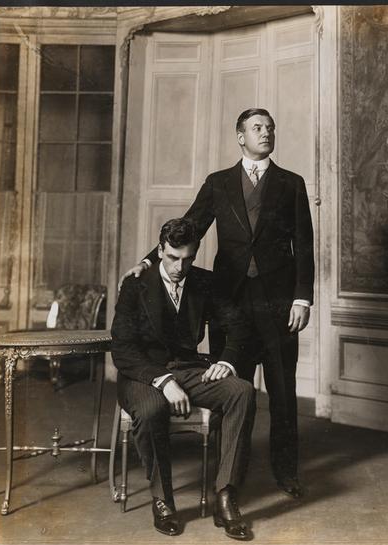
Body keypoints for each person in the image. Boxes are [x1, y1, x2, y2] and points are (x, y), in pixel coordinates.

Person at [120, 108, 315, 499]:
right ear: (240, 136)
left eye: (270, 128)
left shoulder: (291, 183)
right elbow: (186, 227)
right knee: (232, 389)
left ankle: (286, 472)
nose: (266, 133)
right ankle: (230, 479)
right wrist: (147, 261)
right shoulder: (219, 183)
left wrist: (302, 298)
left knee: (282, 390)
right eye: (257, 128)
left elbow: (305, 244)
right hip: (231, 303)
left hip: (278, 305)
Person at [111, 218, 255, 540]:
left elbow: (239, 326)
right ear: (160, 250)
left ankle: (226, 496)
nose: (180, 267)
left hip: (189, 369)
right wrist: (163, 381)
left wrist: (227, 361)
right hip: (142, 373)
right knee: (151, 410)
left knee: (242, 391)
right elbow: (122, 349)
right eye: (173, 257)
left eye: (188, 259)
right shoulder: (135, 284)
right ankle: (163, 500)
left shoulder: (204, 281)